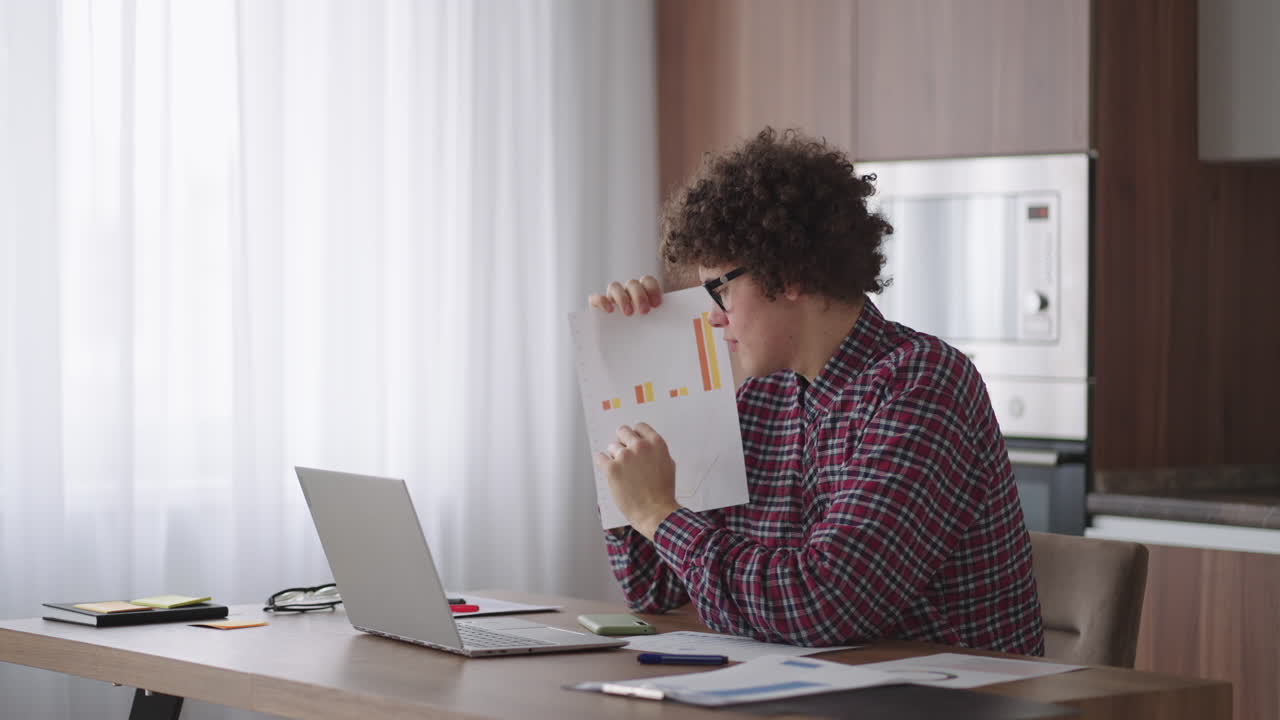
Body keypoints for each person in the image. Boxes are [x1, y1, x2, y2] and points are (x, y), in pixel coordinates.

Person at [586, 128, 1044, 655]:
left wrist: (657, 514)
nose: (713, 316)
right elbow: (655, 589)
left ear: (789, 275)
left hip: (950, 692)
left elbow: (825, 603)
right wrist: (633, 371)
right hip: (815, 685)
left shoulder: (922, 383)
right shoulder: (761, 398)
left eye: (721, 289)